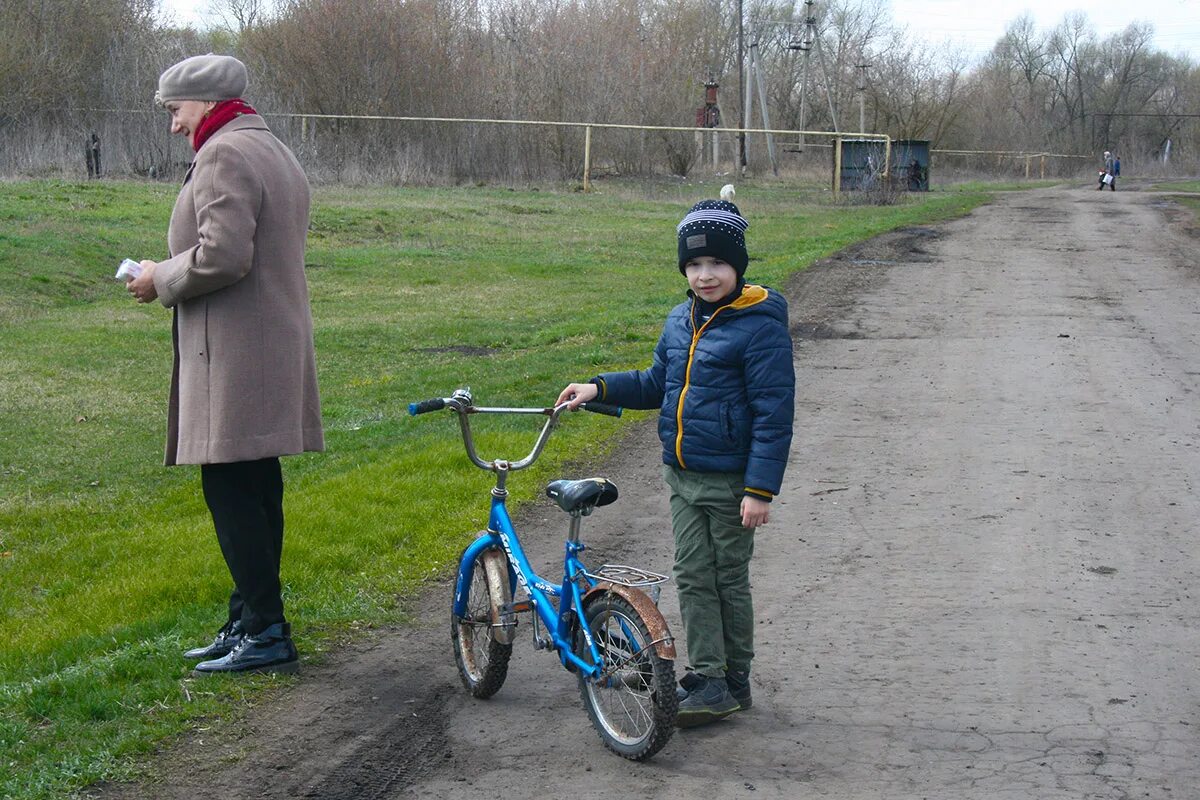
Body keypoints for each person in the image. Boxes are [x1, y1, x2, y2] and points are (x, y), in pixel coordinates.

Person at [556, 196, 795, 727]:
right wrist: (596, 388)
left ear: (739, 264)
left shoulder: (759, 325)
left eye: (717, 264)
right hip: (683, 476)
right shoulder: (680, 319)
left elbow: (774, 414)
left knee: (725, 578)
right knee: (693, 574)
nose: (705, 275)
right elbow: (655, 384)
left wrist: (760, 489)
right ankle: (717, 676)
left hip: (731, 481)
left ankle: (726, 680)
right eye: (694, 265)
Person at [126, 54, 323, 675]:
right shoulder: (271, 148)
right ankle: (249, 618)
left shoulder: (225, 154)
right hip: (264, 344)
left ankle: (266, 630)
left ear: (207, 102)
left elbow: (223, 255)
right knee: (256, 483)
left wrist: (161, 278)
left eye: (177, 111)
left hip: (238, 350)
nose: (174, 125)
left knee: (230, 485)